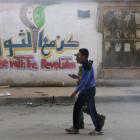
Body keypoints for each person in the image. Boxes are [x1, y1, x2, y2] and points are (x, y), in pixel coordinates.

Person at [65, 48, 104, 135]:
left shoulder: (86, 65)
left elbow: (85, 82)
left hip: (87, 90)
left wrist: (75, 92)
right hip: (89, 89)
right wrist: (77, 77)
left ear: (84, 56)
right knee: (90, 109)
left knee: (77, 108)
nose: (76, 58)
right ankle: (98, 129)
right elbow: (86, 79)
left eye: (78, 56)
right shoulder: (85, 65)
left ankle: (76, 128)